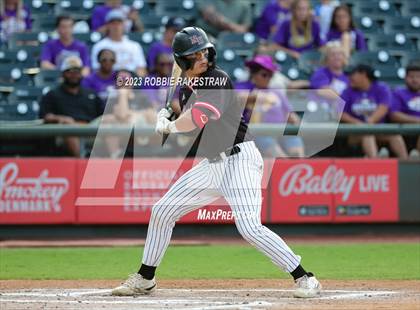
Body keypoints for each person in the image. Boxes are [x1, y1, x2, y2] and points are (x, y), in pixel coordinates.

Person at [111, 27, 321, 298]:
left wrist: (170, 126)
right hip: (212, 166)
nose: (202, 58)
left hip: (240, 159)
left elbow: (198, 118)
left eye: (203, 52)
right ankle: (145, 278)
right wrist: (169, 113)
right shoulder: (187, 88)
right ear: (182, 60)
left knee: (249, 227)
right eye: (194, 55)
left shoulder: (217, 78)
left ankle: (305, 277)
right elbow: (191, 122)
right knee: (162, 211)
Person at [235, 54, 304, 157]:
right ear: (254, 74)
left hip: (281, 129)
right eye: (264, 75)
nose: (268, 78)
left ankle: (299, 167)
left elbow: (291, 115)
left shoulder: (277, 91)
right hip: (258, 132)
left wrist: (295, 121)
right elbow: (237, 98)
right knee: (279, 156)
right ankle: (283, 166)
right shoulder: (244, 86)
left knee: (296, 149)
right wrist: (257, 96)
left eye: (271, 75)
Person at [39, 56, 104, 157]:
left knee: (110, 125)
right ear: (63, 73)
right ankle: (81, 164)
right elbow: (45, 116)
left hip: (90, 130)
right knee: (69, 130)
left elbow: (103, 115)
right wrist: (61, 118)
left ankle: (114, 165)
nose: (74, 75)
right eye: (70, 71)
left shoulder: (91, 94)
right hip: (65, 132)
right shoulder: (52, 94)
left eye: (77, 71)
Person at [341, 64, 408, 159]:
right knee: (367, 134)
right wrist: (359, 124)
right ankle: (375, 166)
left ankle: (405, 165)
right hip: (355, 131)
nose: (349, 78)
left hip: (377, 128)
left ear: (363, 75)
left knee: (395, 136)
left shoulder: (381, 88)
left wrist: (369, 122)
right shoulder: (347, 91)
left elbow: (383, 108)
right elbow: (341, 114)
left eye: (352, 74)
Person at [102, 69, 157, 158]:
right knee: (109, 120)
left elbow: (152, 115)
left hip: (142, 135)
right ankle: (116, 155)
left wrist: (133, 115)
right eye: (121, 80)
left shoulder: (142, 97)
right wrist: (123, 95)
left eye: (127, 79)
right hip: (122, 135)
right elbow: (122, 115)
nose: (124, 82)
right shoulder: (112, 99)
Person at [91, 10, 147, 77]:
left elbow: (141, 70)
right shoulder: (99, 46)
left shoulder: (134, 46)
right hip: (108, 80)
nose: (116, 26)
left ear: (124, 25)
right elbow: (96, 69)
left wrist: (131, 83)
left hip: (130, 81)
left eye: (119, 23)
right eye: (113, 23)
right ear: (107, 25)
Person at [390, 63, 420, 155]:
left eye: (418, 77)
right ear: (405, 78)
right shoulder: (398, 93)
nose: (415, 80)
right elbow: (394, 115)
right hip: (404, 130)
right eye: (411, 77)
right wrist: (418, 121)